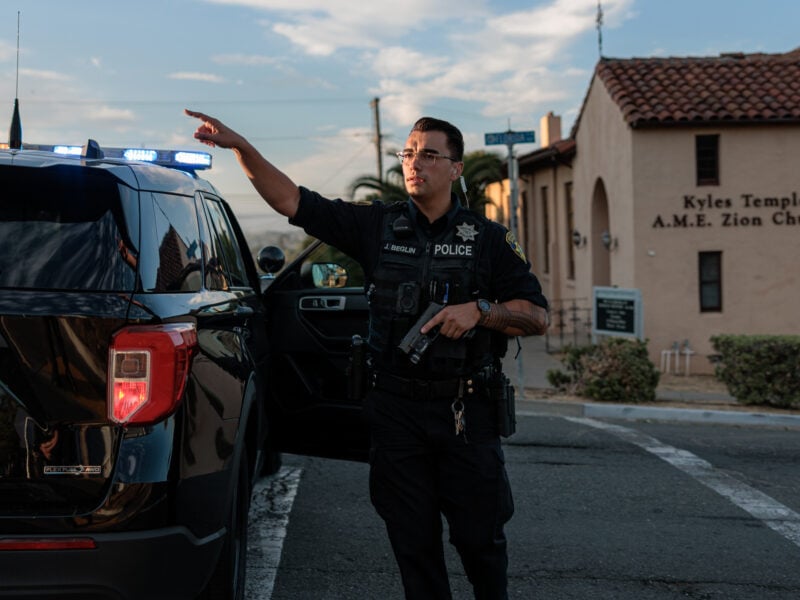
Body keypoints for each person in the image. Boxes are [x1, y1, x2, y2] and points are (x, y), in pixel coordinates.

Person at [185, 108, 549, 600]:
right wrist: (241, 148)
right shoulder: (377, 226)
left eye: (428, 155)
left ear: (456, 168)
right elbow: (292, 200)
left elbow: (536, 315)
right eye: (408, 153)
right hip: (396, 413)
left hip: (466, 414)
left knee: (479, 541)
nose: (413, 163)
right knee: (412, 545)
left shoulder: (487, 240)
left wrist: (481, 311)